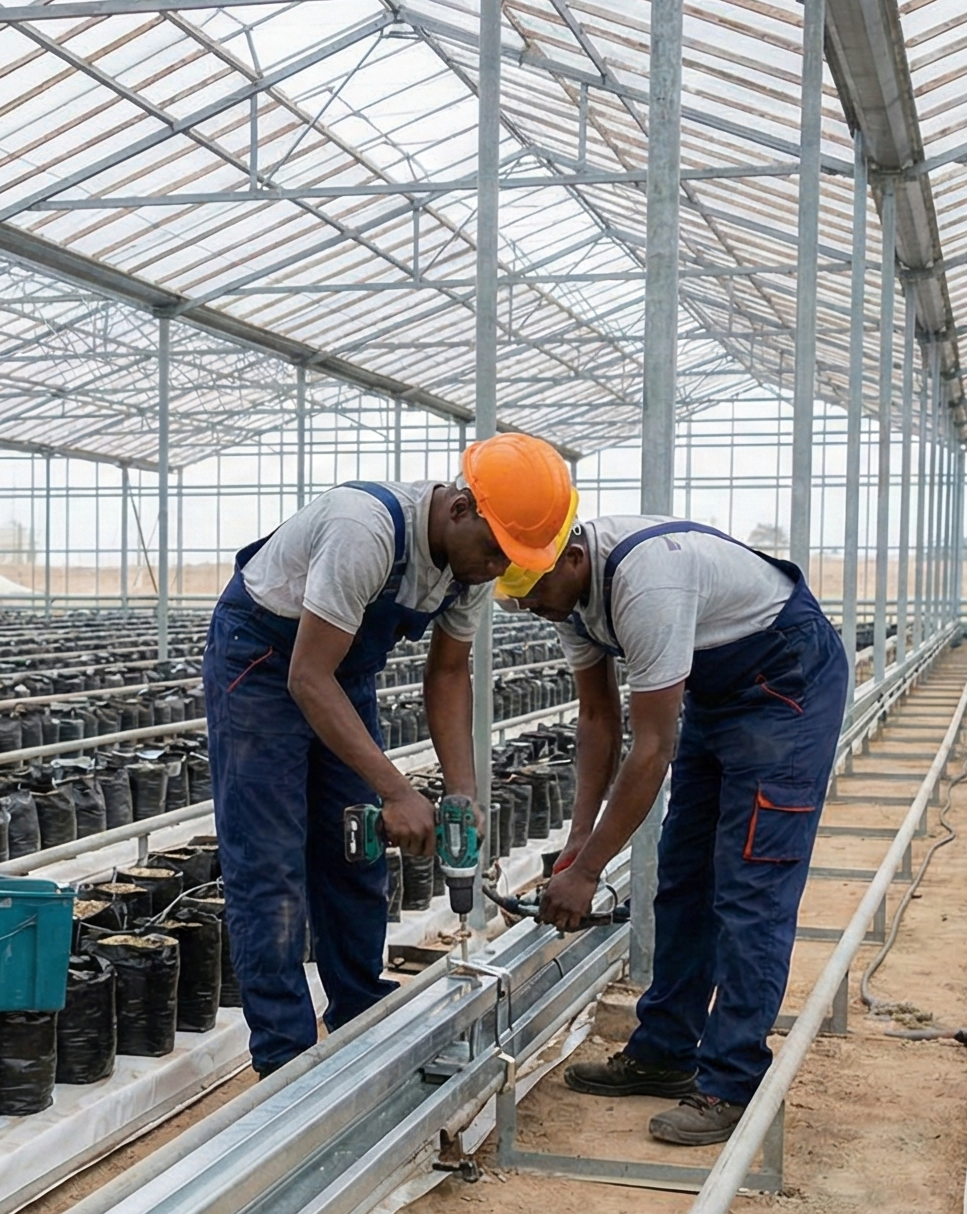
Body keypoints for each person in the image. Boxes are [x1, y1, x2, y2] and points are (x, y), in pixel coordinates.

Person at [202, 436, 577, 1075]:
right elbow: (305, 678)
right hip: (263, 666)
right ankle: (285, 1059)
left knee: (355, 850)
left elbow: (448, 675)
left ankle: (359, 1014)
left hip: (338, 674)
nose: (493, 568)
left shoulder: (470, 570)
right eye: (492, 551)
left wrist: (461, 789)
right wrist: (398, 791)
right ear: (461, 508)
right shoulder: (365, 530)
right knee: (271, 865)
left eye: (507, 560)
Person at [509, 514, 851, 1145]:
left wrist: (587, 875)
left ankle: (730, 1080)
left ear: (573, 560)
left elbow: (653, 748)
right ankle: (665, 1050)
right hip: (718, 698)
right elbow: (597, 721)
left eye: (530, 589)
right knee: (684, 875)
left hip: (786, 686)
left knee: (751, 886)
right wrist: (580, 838)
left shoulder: (645, 583)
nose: (527, 605)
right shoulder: (573, 600)